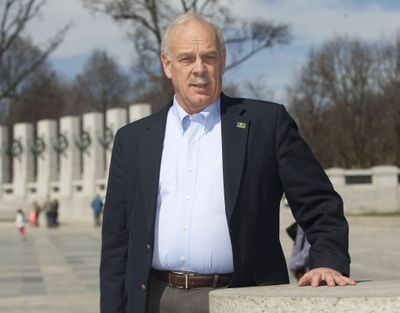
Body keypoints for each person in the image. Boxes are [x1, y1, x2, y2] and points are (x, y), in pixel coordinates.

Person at [100, 13, 356, 313]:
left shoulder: (267, 124)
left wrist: (327, 261)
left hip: (242, 299)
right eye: (186, 59)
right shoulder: (132, 140)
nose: (199, 69)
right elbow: (117, 242)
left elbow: (320, 203)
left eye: (209, 57)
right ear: (167, 65)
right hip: (155, 299)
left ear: (222, 60)